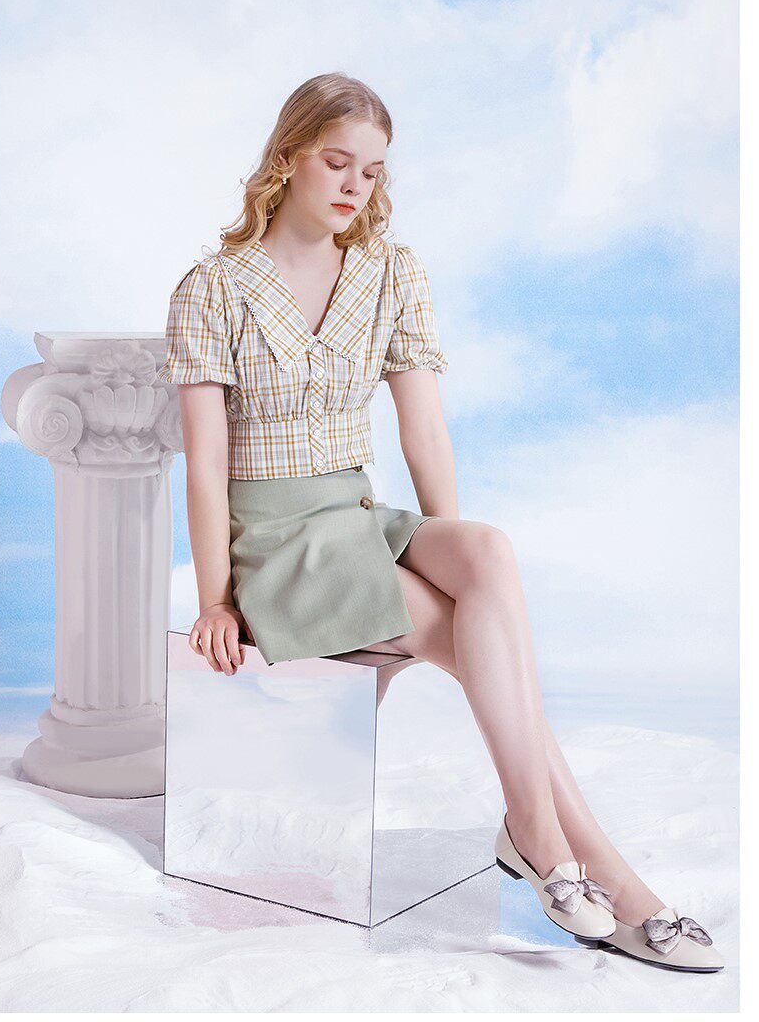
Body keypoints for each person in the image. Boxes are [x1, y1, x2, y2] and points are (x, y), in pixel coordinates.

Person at [156, 72, 724, 973]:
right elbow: (204, 463)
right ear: (287, 158)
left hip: (355, 515)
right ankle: (583, 863)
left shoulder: (391, 272)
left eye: (373, 171)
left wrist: (450, 570)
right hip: (277, 542)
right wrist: (216, 601)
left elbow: (423, 430)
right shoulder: (213, 287)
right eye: (337, 162)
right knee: (456, 623)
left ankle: (537, 836)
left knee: (486, 552)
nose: (355, 185)